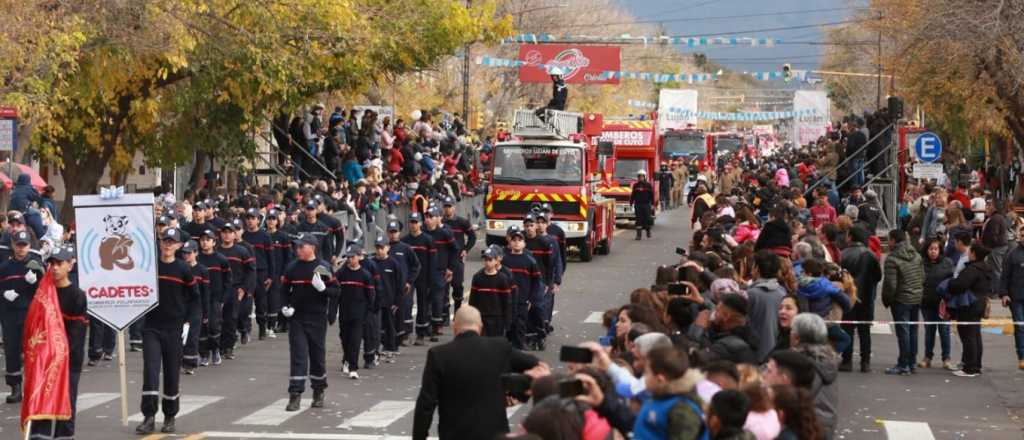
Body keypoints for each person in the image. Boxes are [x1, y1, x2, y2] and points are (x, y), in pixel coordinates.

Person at [412, 305, 540, 440]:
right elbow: (538, 367)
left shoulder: (439, 355)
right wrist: (517, 393)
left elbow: (426, 404)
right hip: (495, 434)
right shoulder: (500, 348)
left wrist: (419, 436)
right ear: (480, 327)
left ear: (455, 327)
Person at [136, 227, 196, 434]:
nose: (168, 245)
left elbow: (194, 299)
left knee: (171, 374)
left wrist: (188, 323)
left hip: (174, 329)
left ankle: (170, 416)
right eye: (165, 240)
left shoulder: (184, 269)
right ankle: (149, 416)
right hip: (152, 327)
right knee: (151, 372)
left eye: (172, 241)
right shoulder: (150, 267)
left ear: (179, 245)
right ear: (160, 242)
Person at [26, 245, 86, 439]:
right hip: (43, 361)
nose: (55, 268)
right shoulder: (44, 292)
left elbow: (76, 336)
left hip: (68, 362)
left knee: (65, 404)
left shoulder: (77, 296)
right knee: (40, 402)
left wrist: (59, 356)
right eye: (52, 263)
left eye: (60, 263)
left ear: (70, 265)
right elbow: (34, 326)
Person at [281, 232, 338, 411]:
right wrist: (284, 307)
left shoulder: (322, 267)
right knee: (298, 355)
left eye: (301, 246)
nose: (297, 249)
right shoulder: (292, 268)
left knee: (317, 356)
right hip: (297, 318)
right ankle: (295, 395)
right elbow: (283, 290)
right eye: (297, 246)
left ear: (312, 247)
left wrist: (323, 289)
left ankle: (319, 391)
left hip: (317, 317)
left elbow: (336, 291)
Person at [0, 229, 45, 403]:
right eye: (18, 245)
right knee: (12, 350)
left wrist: (35, 282)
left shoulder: (35, 266)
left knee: (32, 350)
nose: (21, 249)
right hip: (9, 314)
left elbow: (45, 292)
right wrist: (3, 293)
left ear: (29, 246)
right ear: (12, 245)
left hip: (30, 313)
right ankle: (15, 387)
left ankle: (34, 386)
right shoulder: (4, 267)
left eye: (24, 245)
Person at [632, 346, 708, 440]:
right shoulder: (659, 397)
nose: (644, 377)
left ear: (660, 380)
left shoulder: (683, 410)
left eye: (647, 373)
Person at [839, 226, 882, 372]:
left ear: (850, 237)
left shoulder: (843, 254)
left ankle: (847, 360)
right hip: (866, 296)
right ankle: (865, 362)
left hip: (848, 296)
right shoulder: (870, 255)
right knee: (864, 331)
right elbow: (878, 276)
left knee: (847, 329)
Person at [947, 243, 994, 377]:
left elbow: (959, 285)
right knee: (975, 336)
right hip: (980, 304)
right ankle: (976, 365)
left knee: (968, 336)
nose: (968, 253)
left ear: (973, 253)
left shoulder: (973, 269)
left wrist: (950, 283)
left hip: (969, 305)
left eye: (970, 251)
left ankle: (970, 367)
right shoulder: (986, 268)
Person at [333, 245, 375, 379]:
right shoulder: (341, 273)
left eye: (353, 257)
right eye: (348, 257)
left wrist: (369, 311)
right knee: (345, 339)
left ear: (359, 257)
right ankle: (346, 359)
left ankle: (353, 367)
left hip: (359, 313)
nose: (350, 259)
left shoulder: (365, 275)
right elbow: (335, 293)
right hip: (344, 312)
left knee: (355, 340)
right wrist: (332, 312)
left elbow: (370, 295)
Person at [918, 237, 955, 370]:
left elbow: (952, 282)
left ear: (940, 250)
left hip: (943, 303)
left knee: (944, 331)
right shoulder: (921, 263)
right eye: (931, 249)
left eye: (936, 249)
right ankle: (927, 357)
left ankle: (946, 358)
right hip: (926, 302)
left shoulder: (947, 263)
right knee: (929, 331)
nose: (933, 252)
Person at [746, 250, 788, 362]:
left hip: (754, 352)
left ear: (757, 269)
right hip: (776, 351)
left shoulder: (751, 294)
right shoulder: (782, 292)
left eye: (753, 265)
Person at [196, 229, 230, 366]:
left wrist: (223, 299)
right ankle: (204, 354)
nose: (205, 242)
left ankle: (216, 350)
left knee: (214, 326)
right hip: (199, 299)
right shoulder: (196, 259)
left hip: (215, 298)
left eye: (208, 240)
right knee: (201, 327)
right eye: (203, 240)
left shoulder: (221, 259)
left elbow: (228, 280)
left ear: (214, 242)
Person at [402, 212, 436, 345]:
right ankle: (406, 333)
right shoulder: (404, 241)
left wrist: (431, 278)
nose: (413, 224)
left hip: (423, 277)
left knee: (423, 305)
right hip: (409, 278)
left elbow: (433, 261)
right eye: (411, 222)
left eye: (416, 222)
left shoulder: (428, 240)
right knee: (407, 304)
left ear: (420, 223)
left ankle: (421, 334)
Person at [469, 245, 513, 337]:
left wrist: (507, 321)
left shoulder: (502, 278)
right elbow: (473, 299)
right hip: (481, 316)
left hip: (497, 317)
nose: (487, 262)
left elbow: (507, 301)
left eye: (490, 260)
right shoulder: (477, 277)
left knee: (495, 343)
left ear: (497, 261)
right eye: (485, 260)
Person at [442, 196, 475, 316]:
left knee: (457, 286)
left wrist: (466, 249)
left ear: (454, 207)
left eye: (449, 206)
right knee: (443, 289)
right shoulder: (440, 222)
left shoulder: (462, 222)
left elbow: (472, 236)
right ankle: (445, 315)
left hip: (457, 259)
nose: (447, 209)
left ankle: (457, 311)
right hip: (444, 260)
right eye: (445, 206)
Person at [999, 226, 1024, 370]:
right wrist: (1004, 294)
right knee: (1020, 327)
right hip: (1016, 298)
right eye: (1022, 235)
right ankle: (1022, 357)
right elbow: (1004, 276)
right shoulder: (1013, 254)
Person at [631, 170, 656, 240]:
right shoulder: (635, 185)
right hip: (638, 205)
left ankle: (648, 231)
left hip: (646, 205)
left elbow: (652, 195)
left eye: (642, 176)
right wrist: (631, 202)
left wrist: (653, 204)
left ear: (644, 177)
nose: (640, 178)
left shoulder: (648, 185)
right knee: (638, 220)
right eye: (639, 176)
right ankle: (638, 235)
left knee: (648, 219)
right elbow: (633, 195)